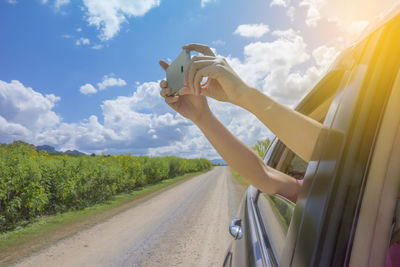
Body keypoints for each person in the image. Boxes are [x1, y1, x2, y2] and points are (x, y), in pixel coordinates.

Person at [159, 43, 326, 202]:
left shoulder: (325, 187)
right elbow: (264, 174)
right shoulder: (316, 191)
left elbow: (336, 157)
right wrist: (201, 116)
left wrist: (241, 93)